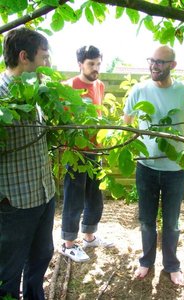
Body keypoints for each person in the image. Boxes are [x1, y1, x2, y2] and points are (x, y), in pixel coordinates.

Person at [123, 45, 184, 285]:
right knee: (146, 220)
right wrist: (135, 149)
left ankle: (172, 265)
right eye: (152, 60)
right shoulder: (139, 90)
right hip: (146, 168)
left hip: (175, 170)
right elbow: (127, 125)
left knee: (172, 223)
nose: (154, 65)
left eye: (160, 62)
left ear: (172, 65)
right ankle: (146, 262)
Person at [0, 28, 56, 299]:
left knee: (42, 256)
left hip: (44, 193)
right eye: (44, 57)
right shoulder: (1, 95)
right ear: (24, 57)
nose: (48, 63)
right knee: (7, 271)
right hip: (15, 203)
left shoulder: (38, 92)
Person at [60, 45, 113, 263]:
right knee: (74, 198)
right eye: (91, 64)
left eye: (98, 63)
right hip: (76, 153)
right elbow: (63, 123)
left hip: (95, 151)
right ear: (80, 64)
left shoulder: (100, 85)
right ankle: (68, 244)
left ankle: (89, 236)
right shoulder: (69, 86)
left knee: (94, 196)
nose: (96, 68)